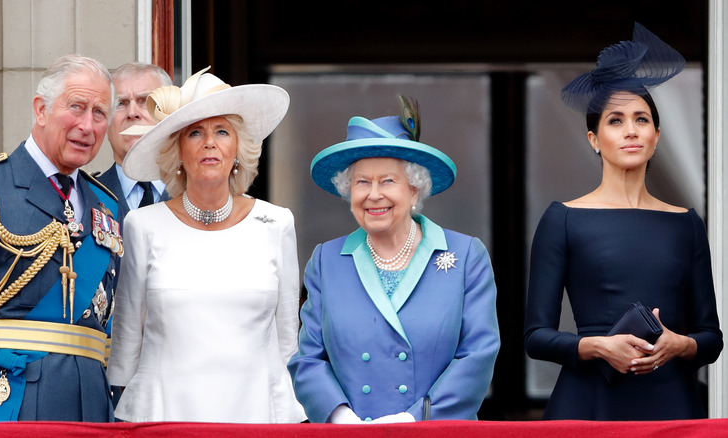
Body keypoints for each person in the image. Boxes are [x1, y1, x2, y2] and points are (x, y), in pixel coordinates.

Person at [524, 23, 723, 420]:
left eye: (641, 119)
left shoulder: (686, 223)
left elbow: (711, 339)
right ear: (594, 139)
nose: (630, 131)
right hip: (588, 403)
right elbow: (535, 338)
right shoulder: (563, 218)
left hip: (671, 403)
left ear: (657, 135)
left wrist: (678, 345)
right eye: (615, 120)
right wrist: (598, 346)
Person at [106, 68, 306, 423]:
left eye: (222, 131)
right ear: (178, 151)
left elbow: (287, 342)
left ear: (239, 150)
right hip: (163, 417)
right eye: (195, 132)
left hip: (255, 415)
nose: (209, 143)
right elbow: (125, 343)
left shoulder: (277, 223)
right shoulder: (142, 225)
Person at [287, 96, 501, 423]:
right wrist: (340, 418)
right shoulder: (326, 261)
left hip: (434, 433)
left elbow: (478, 355)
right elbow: (308, 359)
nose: (374, 195)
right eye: (362, 182)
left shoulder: (466, 256)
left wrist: (413, 420)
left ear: (414, 190)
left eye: (387, 181)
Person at [0, 54, 121, 422]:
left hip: (90, 409)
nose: (87, 126)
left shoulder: (106, 206)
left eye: (99, 113)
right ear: (40, 110)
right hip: (8, 405)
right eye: (76, 107)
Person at [97, 62, 172, 227]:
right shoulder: (86, 195)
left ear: (169, 115)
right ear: (106, 121)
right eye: (120, 103)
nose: (132, 113)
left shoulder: (196, 193)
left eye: (145, 101)